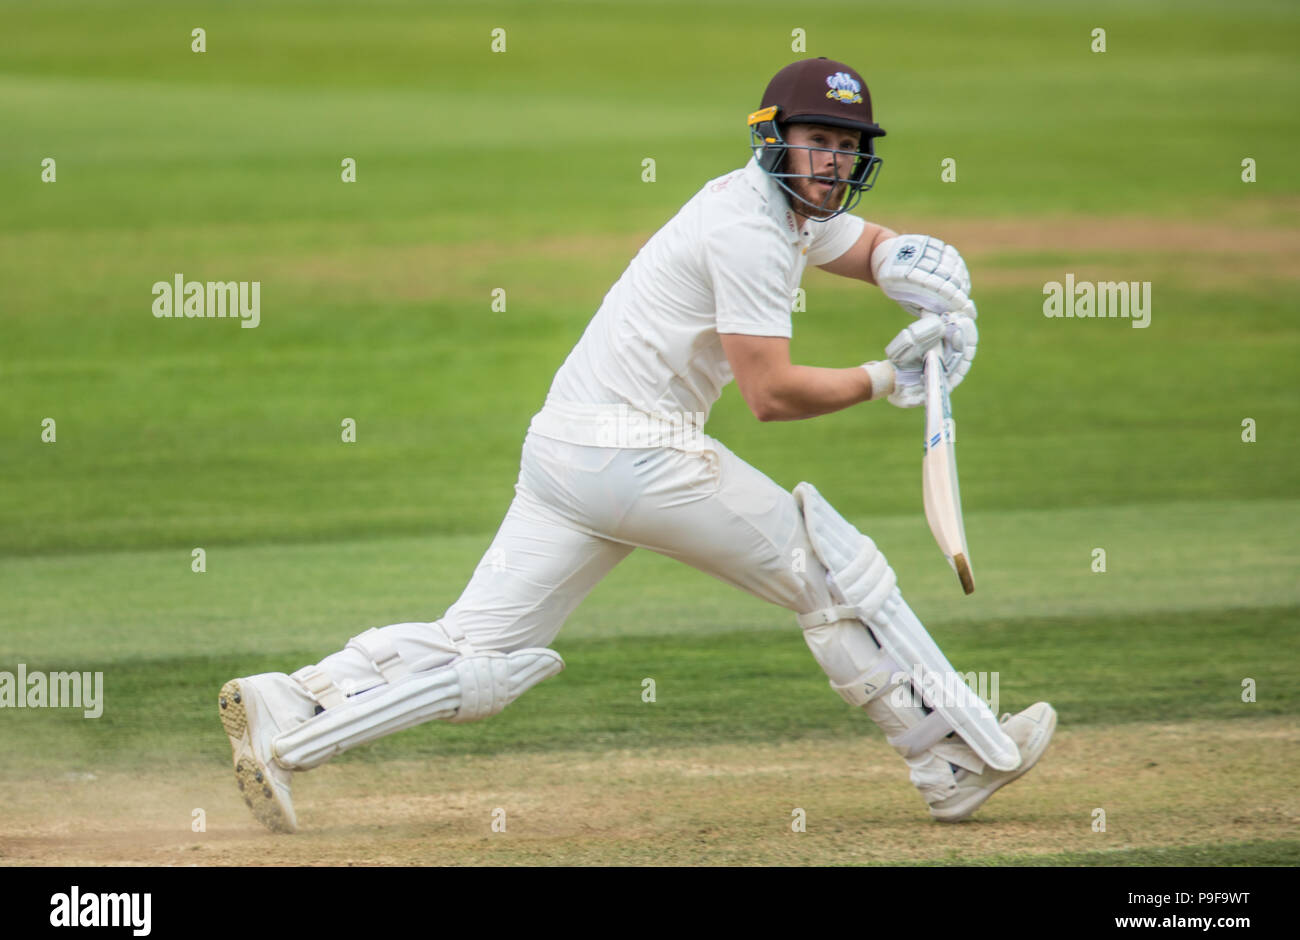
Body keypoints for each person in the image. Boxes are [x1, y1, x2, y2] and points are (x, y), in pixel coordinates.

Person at [218, 57, 1056, 834]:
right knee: (832, 570)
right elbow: (770, 394)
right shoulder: (752, 233)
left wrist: (909, 261)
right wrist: (888, 375)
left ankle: (292, 702)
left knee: (478, 649)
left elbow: (863, 246)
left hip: (566, 450)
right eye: (818, 142)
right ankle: (951, 757)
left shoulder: (774, 206)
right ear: (776, 140)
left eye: (846, 146)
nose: (833, 162)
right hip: (640, 456)